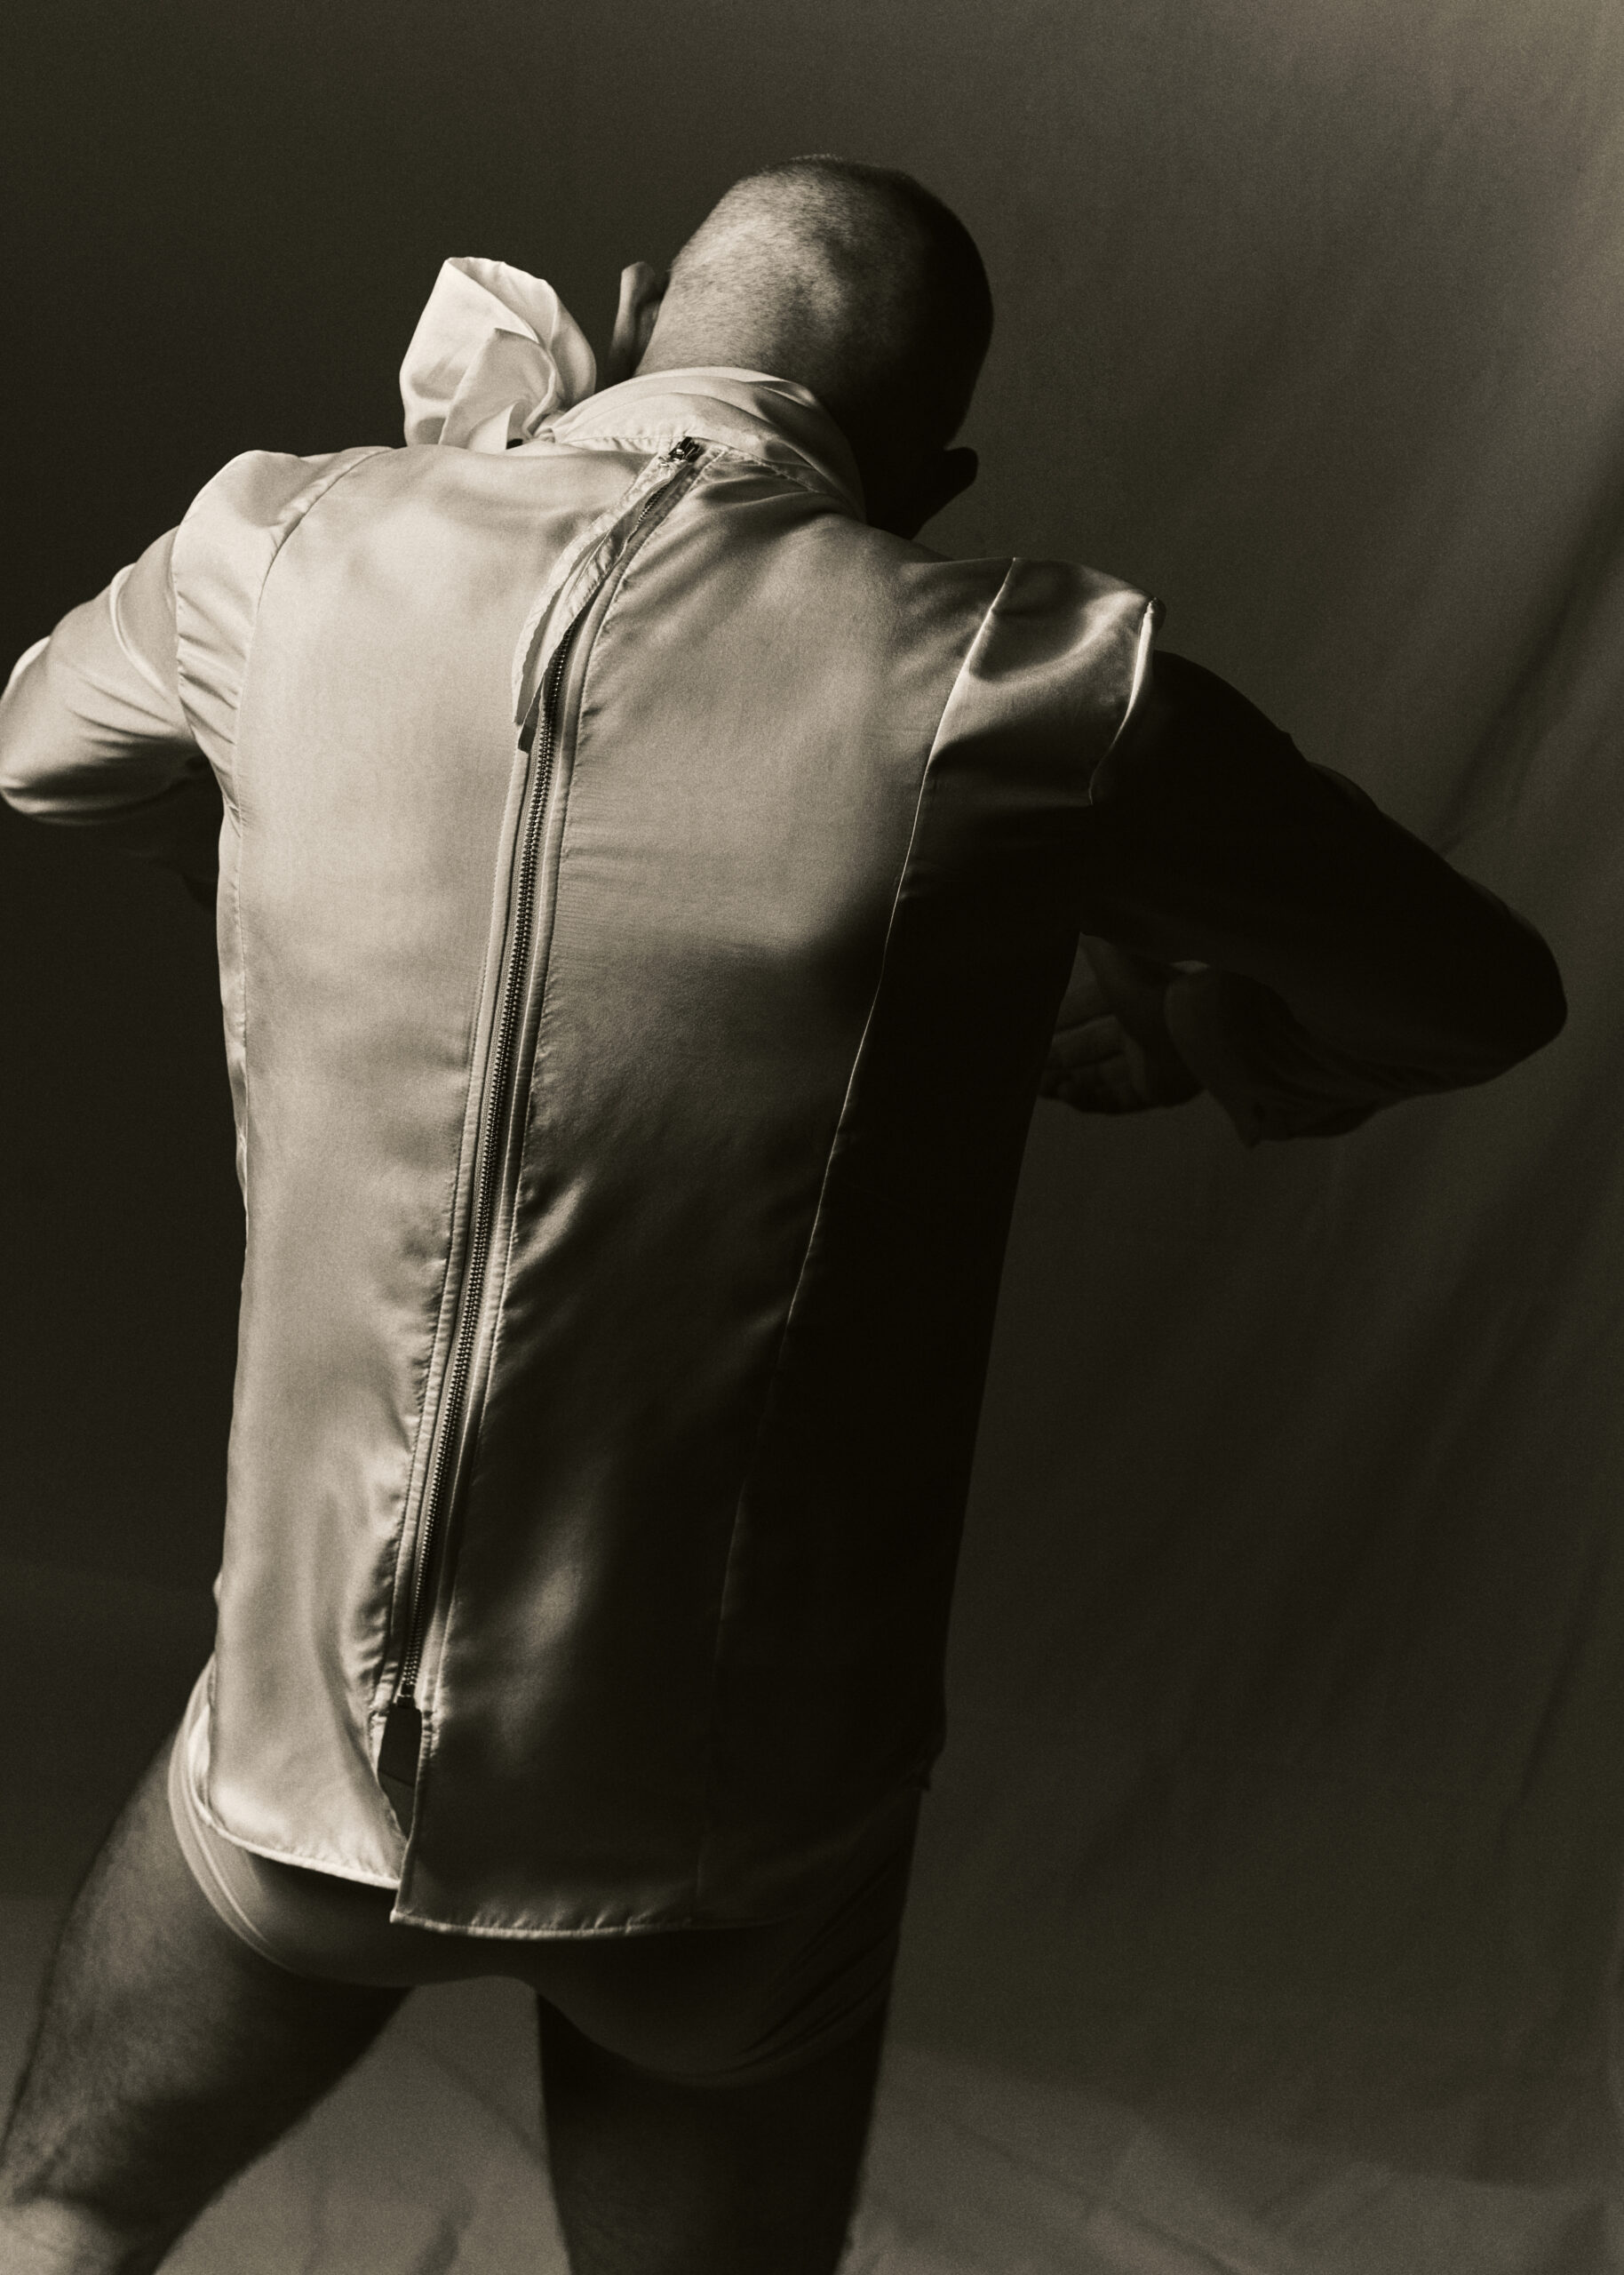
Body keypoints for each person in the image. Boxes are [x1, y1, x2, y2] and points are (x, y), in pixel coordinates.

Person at [0, 156, 1564, 2275]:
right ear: (931, 477)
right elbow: (1474, 996)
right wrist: (1184, 1017)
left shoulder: (274, 545)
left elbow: (41, 754)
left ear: (642, 303)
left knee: (62, 2211)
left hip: (298, 1777)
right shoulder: (1028, 688)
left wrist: (298, 849)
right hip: (726, 1855)